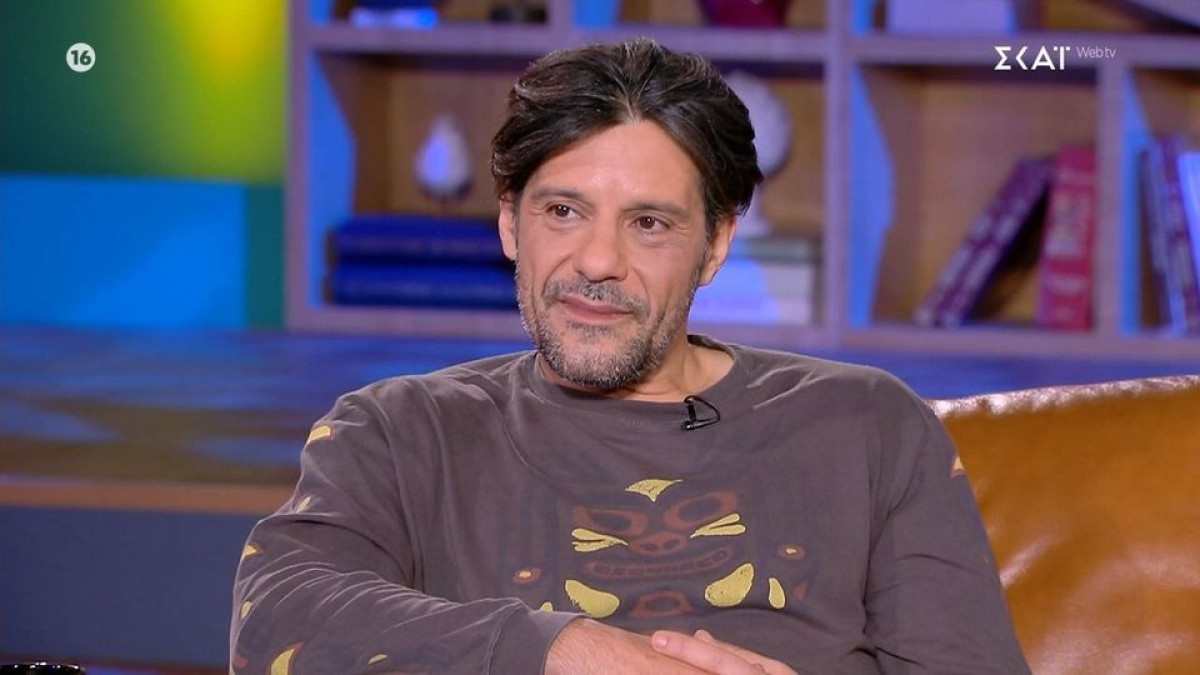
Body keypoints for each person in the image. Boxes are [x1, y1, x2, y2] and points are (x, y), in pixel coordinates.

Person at [230, 38, 1030, 674]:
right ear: (510, 222)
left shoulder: (867, 423)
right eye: (563, 211)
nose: (597, 261)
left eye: (649, 223)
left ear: (715, 243)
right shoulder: (401, 430)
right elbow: (275, 617)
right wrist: (563, 649)